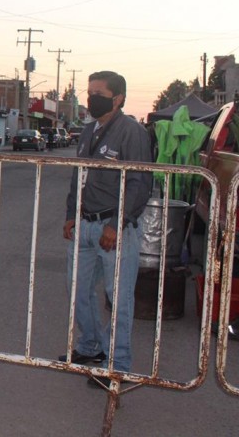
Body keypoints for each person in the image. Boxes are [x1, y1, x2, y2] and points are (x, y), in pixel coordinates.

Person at [60, 71, 152, 386]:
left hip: (115, 228)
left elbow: (140, 183)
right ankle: (90, 346)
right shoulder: (88, 132)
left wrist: (118, 222)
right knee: (78, 290)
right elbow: (78, 175)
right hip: (84, 226)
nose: (91, 98)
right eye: (89, 92)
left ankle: (118, 365)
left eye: (98, 93)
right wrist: (71, 213)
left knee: (118, 298)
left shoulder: (132, 132)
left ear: (118, 98)